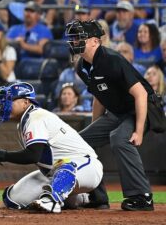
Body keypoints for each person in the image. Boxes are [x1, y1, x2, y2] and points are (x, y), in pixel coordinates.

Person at [66, 19, 158, 211]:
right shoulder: (82, 66)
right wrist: (94, 129)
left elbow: (140, 94)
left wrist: (139, 130)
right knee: (79, 142)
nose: (74, 42)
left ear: (94, 41)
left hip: (142, 108)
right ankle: (98, 197)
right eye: (73, 38)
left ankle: (142, 196)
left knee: (119, 138)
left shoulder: (111, 59)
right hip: (117, 112)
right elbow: (99, 97)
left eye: (79, 37)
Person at [0, 82, 103, 213]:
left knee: (66, 167)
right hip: (54, 173)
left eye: (9, 100)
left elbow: (32, 155)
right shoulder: (23, 123)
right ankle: (80, 198)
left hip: (86, 166)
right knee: (12, 199)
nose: (4, 104)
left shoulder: (36, 117)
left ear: (25, 102)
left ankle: (53, 201)